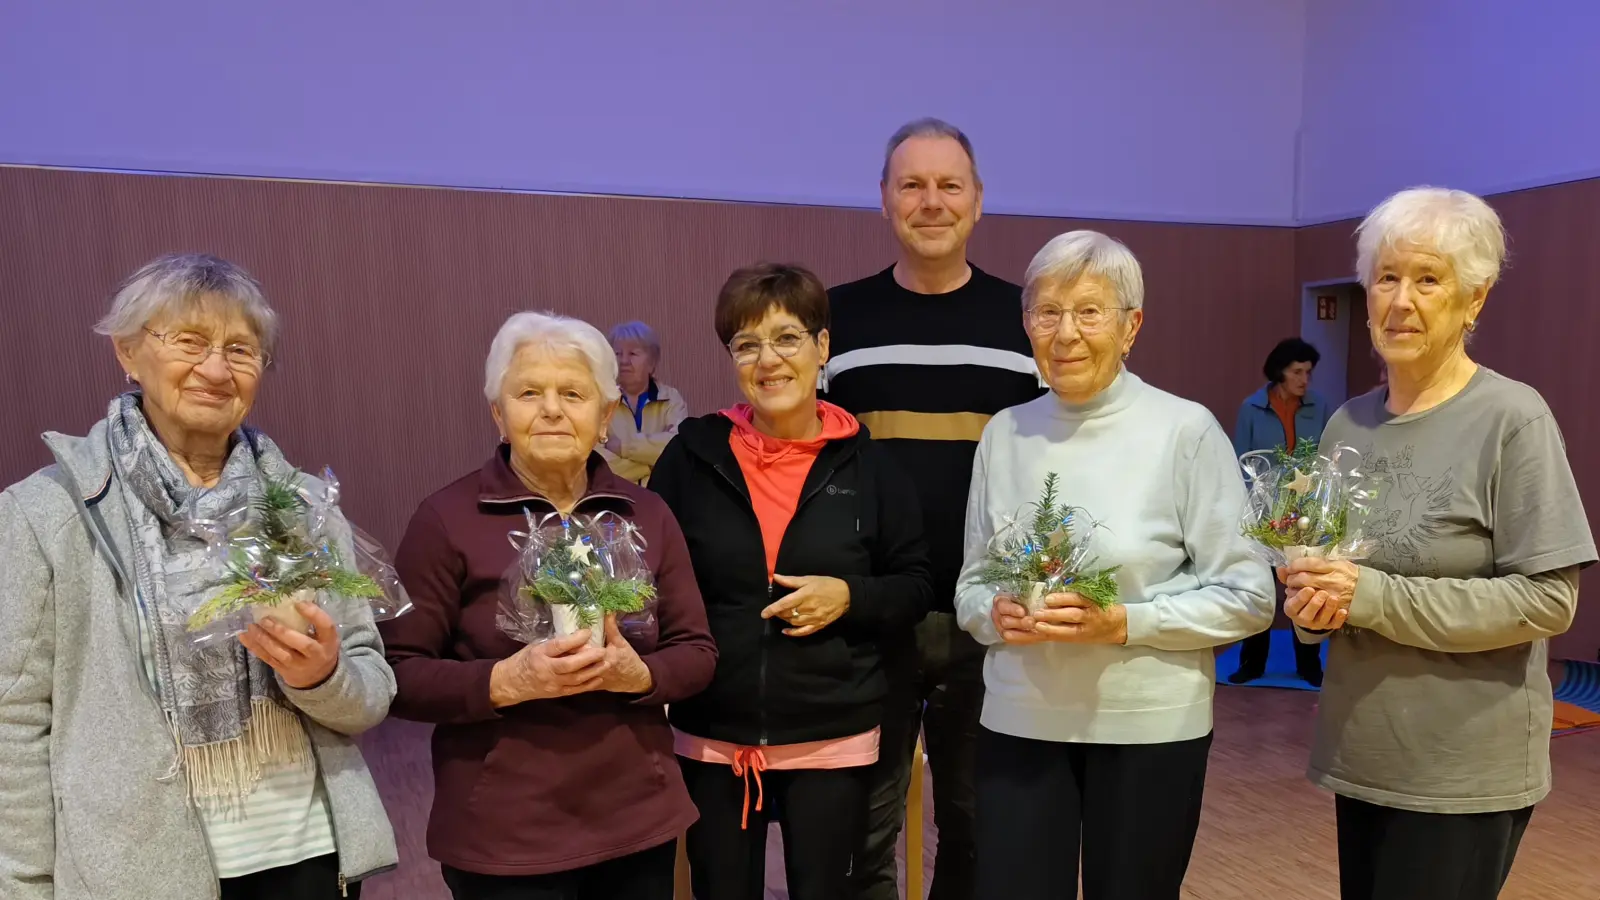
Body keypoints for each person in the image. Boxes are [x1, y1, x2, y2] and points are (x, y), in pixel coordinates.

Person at [0, 254, 398, 899]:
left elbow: (370, 693)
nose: (216, 369)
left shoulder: (302, 507)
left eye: (241, 350)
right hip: (132, 870)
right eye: (189, 342)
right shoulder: (46, 513)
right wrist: (22, 886)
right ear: (128, 352)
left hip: (305, 855)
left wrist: (320, 677)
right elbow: (14, 723)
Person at [1278, 187, 1595, 900]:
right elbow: (1327, 580)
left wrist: (1373, 596)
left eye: (1428, 279)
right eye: (1387, 277)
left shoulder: (1513, 419)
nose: (1401, 301)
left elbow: (1548, 602)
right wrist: (1310, 603)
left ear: (1474, 299)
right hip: (1363, 752)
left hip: (1463, 771)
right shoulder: (1346, 426)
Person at [954, 231, 1275, 900]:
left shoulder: (1184, 431)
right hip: (1020, 720)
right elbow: (972, 583)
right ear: (1026, 323)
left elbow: (1250, 596)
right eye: (1047, 311)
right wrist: (995, 611)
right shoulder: (1004, 433)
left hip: (1149, 724)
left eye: (1090, 311)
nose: (1065, 332)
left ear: (1132, 326)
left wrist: (1125, 621)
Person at [382, 311, 717, 899]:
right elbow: (399, 673)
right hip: (505, 835)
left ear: (605, 415)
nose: (553, 409)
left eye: (573, 393)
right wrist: (504, 682)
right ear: (499, 414)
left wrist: (639, 674)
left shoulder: (648, 515)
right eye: (529, 392)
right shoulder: (448, 519)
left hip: (636, 821)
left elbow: (696, 651)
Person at [649, 263, 933, 900]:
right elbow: (654, 578)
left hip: (833, 732)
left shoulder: (873, 465)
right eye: (746, 344)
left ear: (822, 346)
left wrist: (851, 597)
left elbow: (916, 585)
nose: (767, 360)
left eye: (786, 338)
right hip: (713, 732)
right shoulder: (692, 456)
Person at [823, 117, 1044, 900]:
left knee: (978, 825)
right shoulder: (835, 321)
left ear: (978, 200)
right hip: (869, 619)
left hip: (992, 617)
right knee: (861, 830)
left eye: (949, 184)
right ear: (883, 199)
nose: (931, 200)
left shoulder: (1028, 323)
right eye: (911, 184)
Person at [1229, 336, 1332, 686]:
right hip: (1264, 513)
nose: (1305, 379)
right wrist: (1248, 513)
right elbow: (1241, 462)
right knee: (1260, 589)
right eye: (1297, 372)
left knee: (1305, 587)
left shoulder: (1320, 406)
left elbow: (1327, 459)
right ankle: (1251, 664)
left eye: (1308, 372)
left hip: (1305, 513)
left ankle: (1309, 664)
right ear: (1279, 373)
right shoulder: (1252, 408)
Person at [600, 320, 689, 485]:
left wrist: (623, 447)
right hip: (618, 503)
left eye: (633, 354)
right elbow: (600, 466)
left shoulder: (670, 399)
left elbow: (679, 449)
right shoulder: (601, 403)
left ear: (652, 362)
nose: (624, 361)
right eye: (618, 353)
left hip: (663, 502)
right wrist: (654, 462)